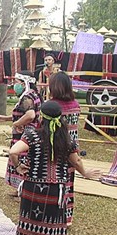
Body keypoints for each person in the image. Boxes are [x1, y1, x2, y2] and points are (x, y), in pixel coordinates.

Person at [9, 101, 100, 235]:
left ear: (41, 116)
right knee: (48, 225)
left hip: (32, 187)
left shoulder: (32, 135)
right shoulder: (66, 139)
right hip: (55, 190)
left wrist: (18, 166)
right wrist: (85, 173)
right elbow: (76, 160)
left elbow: (13, 151)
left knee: (27, 222)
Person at [0, 71, 42, 194]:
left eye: (17, 82)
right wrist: (5, 118)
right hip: (28, 134)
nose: (15, 85)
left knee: (21, 159)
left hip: (25, 135)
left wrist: (16, 124)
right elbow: (22, 114)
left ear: (24, 83)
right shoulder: (33, 94)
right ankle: (20, 189)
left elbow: (30, 115)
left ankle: (23, 189)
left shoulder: (27, 97)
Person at [49, 72, 81, 226]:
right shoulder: (75, 105)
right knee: (69, 183)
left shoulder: (53, 106)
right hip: (73, 149)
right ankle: (67, 218)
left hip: (56, 149)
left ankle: (54, 216)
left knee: (54, 182)